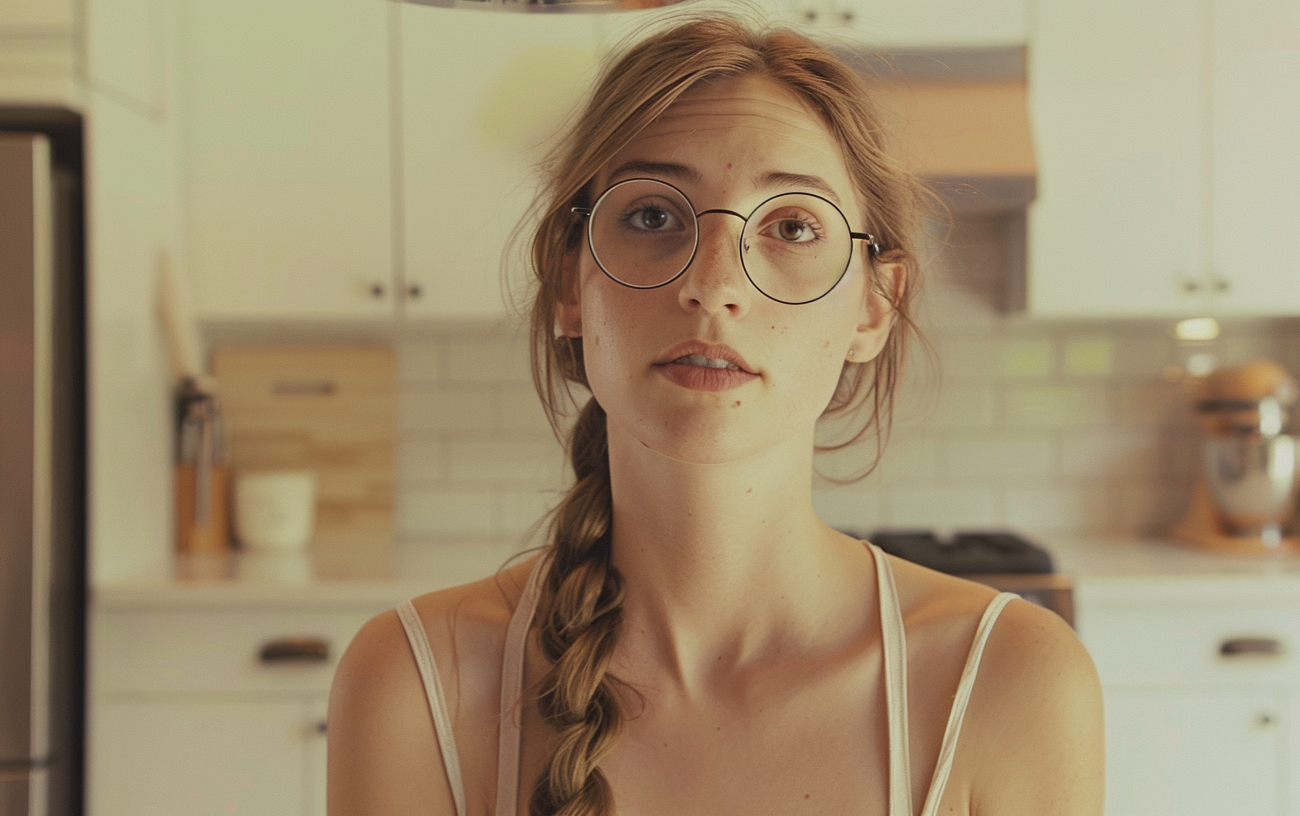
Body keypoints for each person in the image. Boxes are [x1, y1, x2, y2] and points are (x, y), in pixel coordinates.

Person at [327, 13, 1103, 816]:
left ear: (875, 307)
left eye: (793, 227)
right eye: (653, 216)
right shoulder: (415, 682)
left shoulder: (1010, 681)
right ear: (570, 283)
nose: (713, 284)